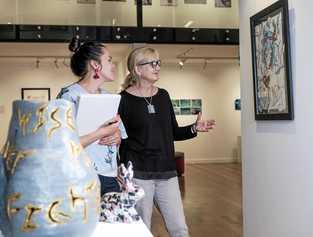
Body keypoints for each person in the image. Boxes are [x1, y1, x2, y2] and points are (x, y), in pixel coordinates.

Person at [118, 47, 215, 237]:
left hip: (167, 173)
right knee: (142, 229)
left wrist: (194, 128)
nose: (157, 67)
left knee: (179, 228)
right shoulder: (123, 100)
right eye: (152, 63)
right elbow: (120, 141)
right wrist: (120, 171)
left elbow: (173, 132)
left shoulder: (163, 96)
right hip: (138, 174)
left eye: (158, 62)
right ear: (137, 69)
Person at [57, 37, 127, 196]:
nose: (113, 65)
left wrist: (116, 136)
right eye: (109, 60)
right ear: (95, 65)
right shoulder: (68, 96)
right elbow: (64, 144)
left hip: (110, 177)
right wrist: (100, 133)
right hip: (81, 176)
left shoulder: (109, 97)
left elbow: (119, 136)